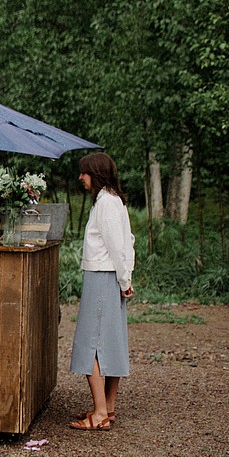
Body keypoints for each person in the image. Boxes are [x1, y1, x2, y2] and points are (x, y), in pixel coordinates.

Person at [69, 152, 135, 431]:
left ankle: (99, 413)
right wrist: (125, 278)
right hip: (111, 277)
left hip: (101, 277)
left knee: (91, 344)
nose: (81, 177)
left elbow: (118, 246)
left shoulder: (106, 203)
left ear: (95, 173)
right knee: (111, 339)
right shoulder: (113, 201)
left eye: (85, 172)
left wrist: (123, 279)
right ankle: (108, 408)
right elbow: (128, 241)